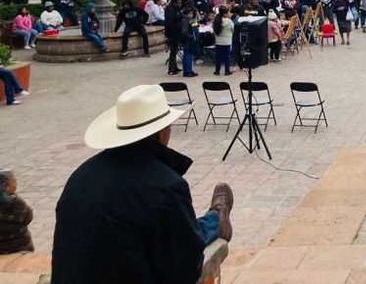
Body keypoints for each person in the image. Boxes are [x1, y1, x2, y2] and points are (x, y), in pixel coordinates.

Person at [51, 85, 234, 283]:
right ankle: (216, 219)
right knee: (187, 236)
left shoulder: (79, 178)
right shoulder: (166, 186)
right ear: (163, 132)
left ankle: (215, 218)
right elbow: (186, 268)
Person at [0, 169, 33, 253]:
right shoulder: (16, 202)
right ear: (7, 186)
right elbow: (28, 218)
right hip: (20, 247)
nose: (16, 184)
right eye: (14, 181)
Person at [212, 5, 234, 76]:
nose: (229, 14)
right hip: (227, 41)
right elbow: (233, 30)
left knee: (218, 57)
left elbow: (214, 30)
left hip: (218, 41)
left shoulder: (216, 20)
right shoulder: (229, 21)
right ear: (225, 14)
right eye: (228, 12)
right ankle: (227, 71)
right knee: (227, 57)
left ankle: (217, 71)